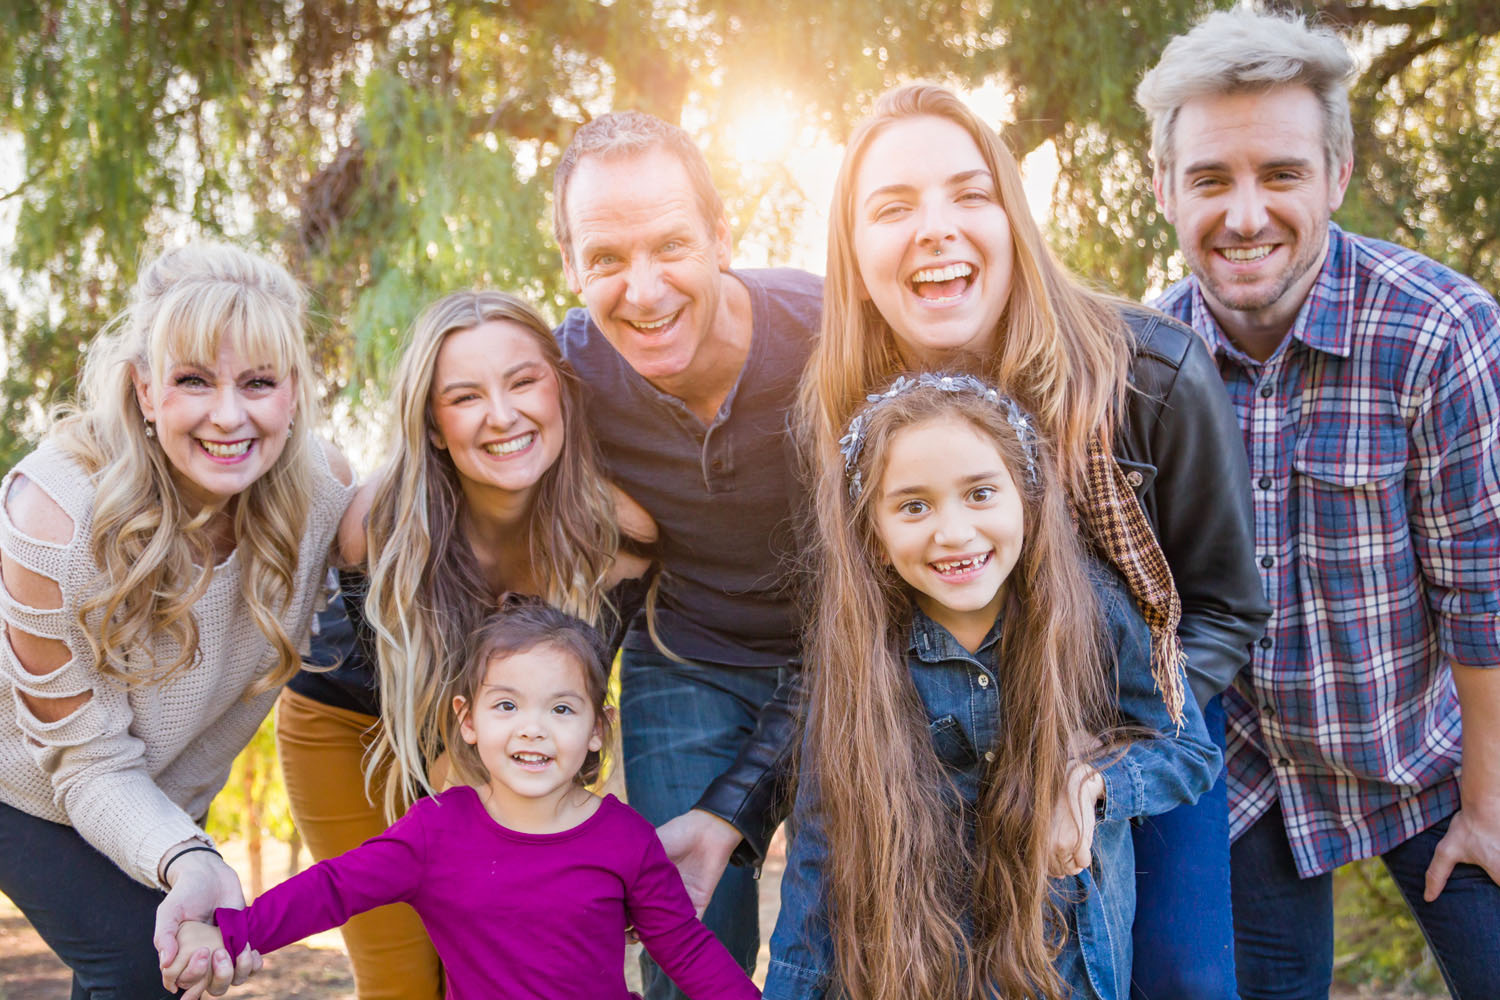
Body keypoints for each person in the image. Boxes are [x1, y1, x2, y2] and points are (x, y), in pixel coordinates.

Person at [801, 82, 1268, 998]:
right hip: (940, 720)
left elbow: (1224, 605)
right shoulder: (842, 411)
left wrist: (1102, 751)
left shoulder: (1149, 372)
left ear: (1013, 219)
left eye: (970, 195)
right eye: (894, 207)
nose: (936, 228)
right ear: (853, 254)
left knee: (1176, 971)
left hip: (1142, 707)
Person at [1137, 8, 1500, 998]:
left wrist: (1491, 799)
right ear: (1164, 186)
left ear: (1335, 176)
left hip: (1427, 750)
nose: (1246, 214)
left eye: (1281, 174)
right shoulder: (1142, 362)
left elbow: (1485, 592)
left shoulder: (1441, 334)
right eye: (1211, 178)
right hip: (1251, 774)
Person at [765, 374, 1219, 1000]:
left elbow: (1190, 752)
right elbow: (817, 858)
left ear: (1027, 498)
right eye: (913, 506)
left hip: (1063, 971)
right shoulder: (858, 663)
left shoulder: (1097, 613)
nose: (953, 532)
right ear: (873, 529)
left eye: (980, 493)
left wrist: (1095, 784)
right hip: (916, 970)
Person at [0, 241, 355, 997]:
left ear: (293, 392)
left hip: (156, 793)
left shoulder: (324, 493)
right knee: (139, 961)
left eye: (259, 382)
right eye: (193, 380)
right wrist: (191, 858)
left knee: (157, 962)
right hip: (20, 777)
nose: (230, 415)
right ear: (145, 389)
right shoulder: (54, 517)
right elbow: (86, 762)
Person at [275, 289, 651, 1000]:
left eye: (522, 381)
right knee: (405, 981)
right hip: (355, 726)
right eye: (466, 396)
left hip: (499, 739)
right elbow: (432, 745)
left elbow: (603, 703)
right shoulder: (378, 526)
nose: (502, 415)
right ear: (436, 426)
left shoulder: (621, 538)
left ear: (563, 393)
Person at [551, 109, 822, 995]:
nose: (644, 289)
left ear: (720, 237)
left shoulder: (833, 336)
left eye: (670, 245)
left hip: (850, 650)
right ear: (570, 269)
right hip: (687, 657)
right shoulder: (567, 374)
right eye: (605, 260)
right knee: (686, 940)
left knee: (848, 943)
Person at [164, 599, 761, 1000]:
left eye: (561, 708)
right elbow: (333, 890)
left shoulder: (625, 838)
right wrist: (229, 931)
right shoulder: (436, 832)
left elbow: (685, 949)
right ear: (467, 720)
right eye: (507, 705)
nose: (533, 728)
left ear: (598, 729)